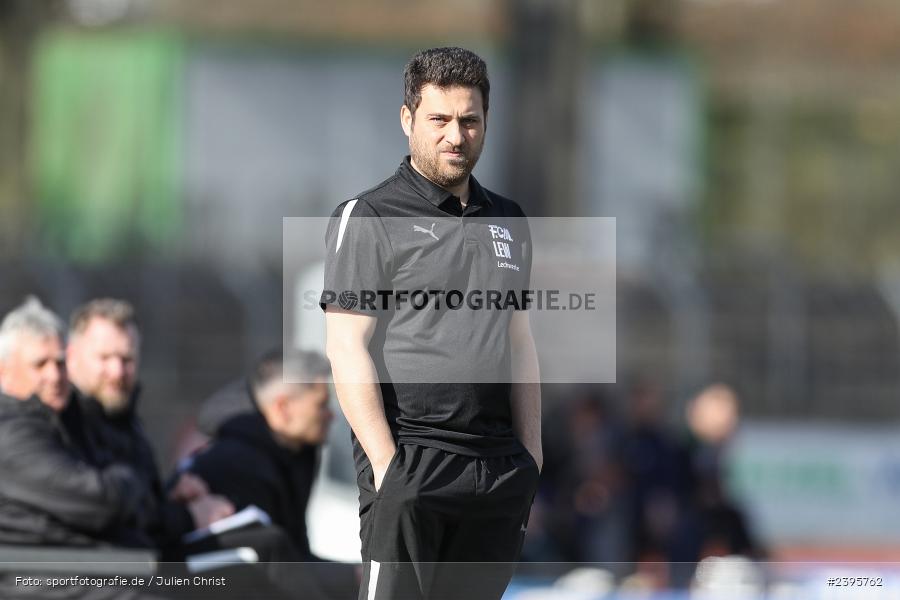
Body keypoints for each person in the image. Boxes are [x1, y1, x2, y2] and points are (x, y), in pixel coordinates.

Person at [321, 47, 542, 600]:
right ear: (407, 119)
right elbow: (346, 346)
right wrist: (388, 466)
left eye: (470, 120)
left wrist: (531, 458)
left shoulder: (509, 219)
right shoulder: (370, 215)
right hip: (412, 461)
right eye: (439, 119)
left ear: (486, 122)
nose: (455, 135)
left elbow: (518, 340)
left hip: (496, 471)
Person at [0, 297, 166, 600]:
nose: (54, 375)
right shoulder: (10, 432)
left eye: (59, 363)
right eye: (40, 364)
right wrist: (130, 479)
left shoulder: (62, 421)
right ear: (3, 371)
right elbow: (98, 502)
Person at [183, 349, 358, 600]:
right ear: (283, 407)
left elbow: (294, 555)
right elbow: (266, 569)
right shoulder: (235, 464)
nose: (330, 415)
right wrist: (350, 577)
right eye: (321, 405)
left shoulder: (297, 452)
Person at [62, 298, 234, 552]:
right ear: (72, 356)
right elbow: (110, 514)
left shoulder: (125, 421)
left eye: (127, 359)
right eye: (104, 357)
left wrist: (169, 496)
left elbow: (140, 503)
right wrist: (188, 516)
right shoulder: (65, 422)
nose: (117, 371)